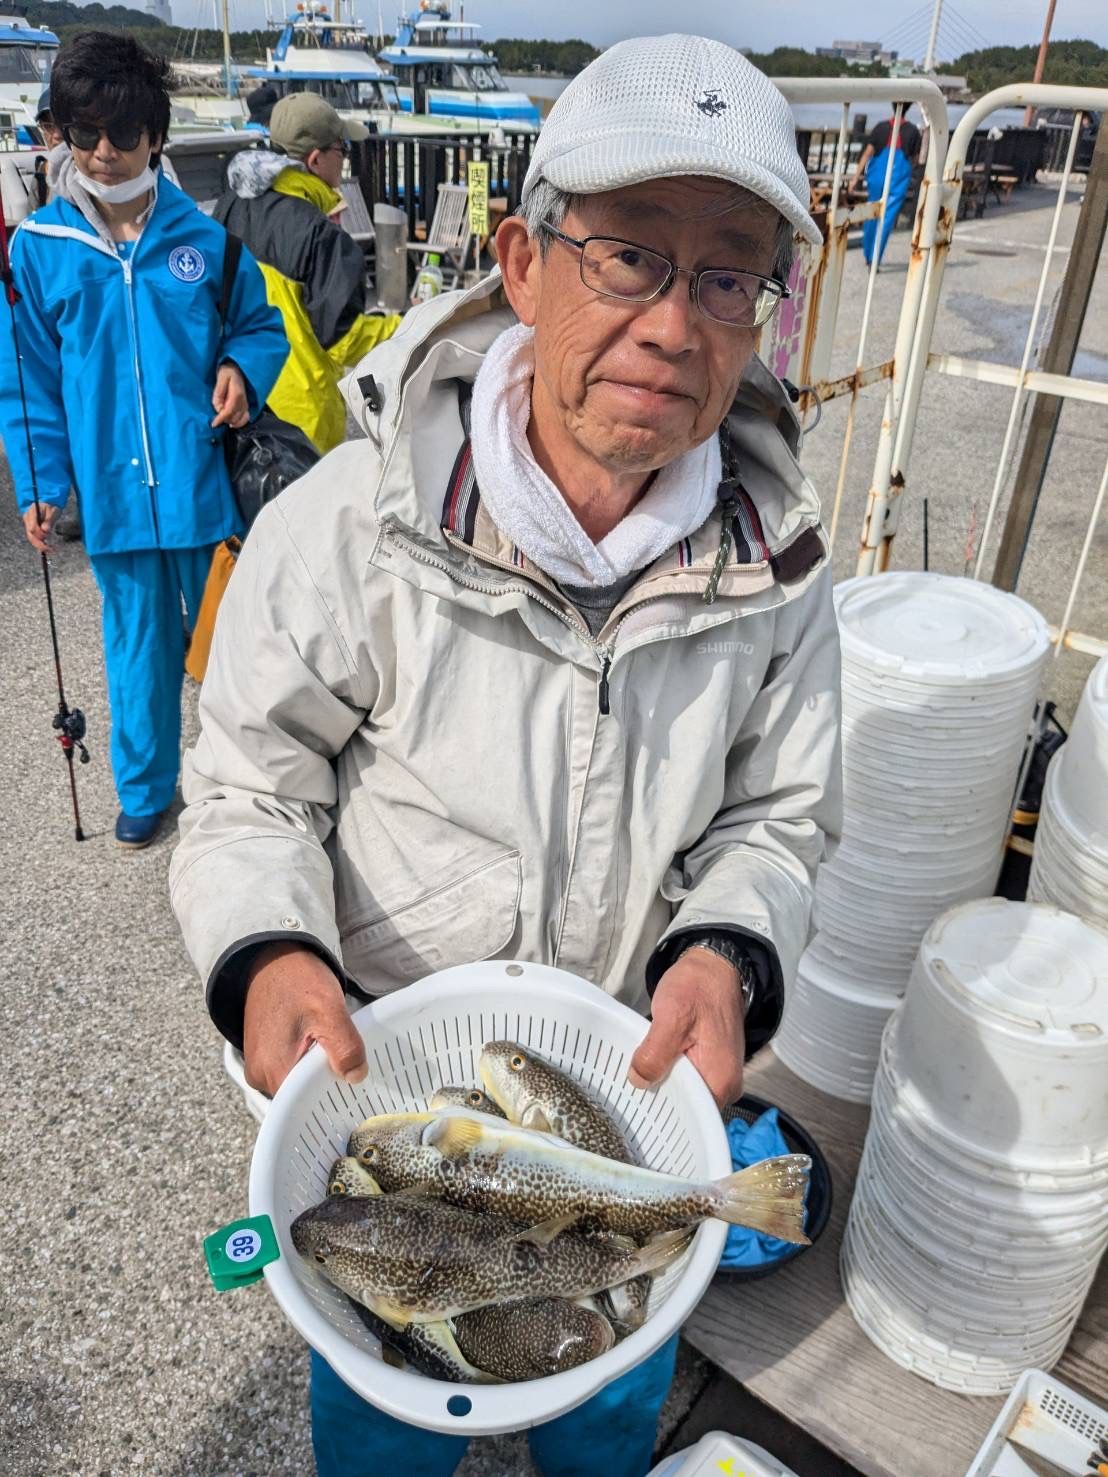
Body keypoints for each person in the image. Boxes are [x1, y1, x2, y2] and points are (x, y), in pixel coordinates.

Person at [171, 32, 841, 1477]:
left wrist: (727, 952)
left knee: (606, 1398)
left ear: (761, 318)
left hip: (631, 1098)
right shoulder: (351, 521)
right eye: (629, 257)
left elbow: (780, 816)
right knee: (382, 1412)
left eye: (728, 278)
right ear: (524, 264)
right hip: (392, 1064)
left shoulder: (780, 568)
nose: (674, 325)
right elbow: (247, 783)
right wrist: (268, 951)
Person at [0, 31, 288, 849]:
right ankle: (145, 785)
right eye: (83, 131)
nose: (103, 151)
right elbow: (27, 385)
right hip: (114, 500)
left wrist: (241, 367)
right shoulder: (39, 251)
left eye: (124, 132)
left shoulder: (209, 241)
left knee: (235, 643)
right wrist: (41, 485)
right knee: (136, 647)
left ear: (156, 137)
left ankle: (250, 782)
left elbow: (260, 327)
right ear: (61, 132)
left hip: (204, 487)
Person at [212, 91, 401, 454]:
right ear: (316, 160)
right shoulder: (319, 235)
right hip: (302, 420)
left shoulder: (231, 204)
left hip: (240, 396)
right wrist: (409, 325)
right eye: (342, 149)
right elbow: (346, 341)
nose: (344, 159)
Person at [849, 103, 923, 267]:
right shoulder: (913, 131)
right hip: (898, 179)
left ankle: (868, 254)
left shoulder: (880, 127)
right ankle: (874, 259)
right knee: (887, 220)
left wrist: (855, 178)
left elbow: (867, 154)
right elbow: (916, 159)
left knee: (872, 214)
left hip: (876, 177)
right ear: (908, 108)